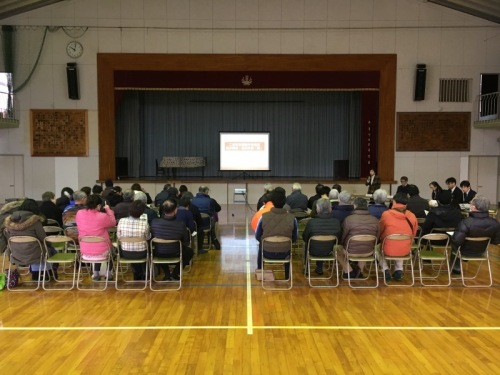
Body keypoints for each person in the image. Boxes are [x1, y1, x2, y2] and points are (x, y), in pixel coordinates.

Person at [4, 199, 54, 280]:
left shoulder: (10, 222)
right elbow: (43, 238)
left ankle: (36, 273)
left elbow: (7, 240)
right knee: (49, 250)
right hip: (35, 254)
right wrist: (50, 245)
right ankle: (45, 274)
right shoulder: (35, 221)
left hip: (16, 254)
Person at [450, 195, 500, 274]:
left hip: (463, 251)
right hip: (482, 252)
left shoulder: (466, 222)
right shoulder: (495, 223)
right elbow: (496, 241)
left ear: (474, 207)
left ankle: (456, 268)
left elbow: (457, 241)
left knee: (455, 245)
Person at [255, 191, 298, 280]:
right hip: (285, 252)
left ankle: (260, 271)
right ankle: (287, 276)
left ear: (272, 202)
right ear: (284, 202)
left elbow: (257, 236)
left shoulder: (264, 216)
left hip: (267, 251)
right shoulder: (292, 218)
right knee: (288, 246)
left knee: (261, 244)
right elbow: (294, 238)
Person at [150, 199, 194, 281]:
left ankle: (167, 273)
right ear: (176, 210)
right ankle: (175, 273)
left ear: (162, 210)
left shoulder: (154, 222)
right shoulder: (181, 224)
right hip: (176, 252)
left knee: (157, 250)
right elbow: (186, 241)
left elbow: (152, 237)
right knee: (189, 251)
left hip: (159, 253)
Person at [76, 194, 116, 281]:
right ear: (98, 205)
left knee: (97, 246)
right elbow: (113, 223)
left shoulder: (79, 213)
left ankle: (96, 273)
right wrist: (108, 209)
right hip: (102, 252)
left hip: (85, 252)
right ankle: (108, 274)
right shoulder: (102, 216)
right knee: (112, 251)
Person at [378, 193, 418, 281]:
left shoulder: (386, 214)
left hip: (388, 247)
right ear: (406, 204)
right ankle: (399, 269)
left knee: (377, 248)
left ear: (393, 201)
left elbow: (380, 231)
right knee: (402, 241)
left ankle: (385, 269)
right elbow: (413, 234)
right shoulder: (412, 215)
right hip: (405, 249)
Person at [339, 197, 380, 278]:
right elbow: (377, 238)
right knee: (366, 245)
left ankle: (349, 271)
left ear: (354, 206)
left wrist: (341, 244)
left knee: (337, 251)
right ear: (367, 206)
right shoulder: (375, 220)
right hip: (368, 251)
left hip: (350, 251)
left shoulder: (348, 219)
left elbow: (342, 237)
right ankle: (359, 271)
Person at [302, 198, 341, 275]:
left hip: (313, 250)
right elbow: (338, 238)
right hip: (330, 251)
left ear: (318, 208)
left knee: (308, 243)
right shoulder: (336, 222)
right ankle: (319, 268)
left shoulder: (312, 222)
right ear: (330, 208)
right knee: (323, 243)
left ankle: (306, 267)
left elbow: (305, 237)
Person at [117, 200, 151, 280]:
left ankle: (136, 272)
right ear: (142, 212)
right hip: (141, 253)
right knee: (145, 247)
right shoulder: (144, 224)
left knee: (131, 247)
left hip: (125, 253)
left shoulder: (121, 221)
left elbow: (119, 237)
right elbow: (147, 238)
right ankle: (143, 273)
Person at [191, 186, 222, 250]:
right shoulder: (210, 201)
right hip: (207, 224)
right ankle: (212, 239)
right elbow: (218, 209)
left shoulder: (192, 200)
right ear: (206, 192)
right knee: (213, 219)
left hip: (195, 225)